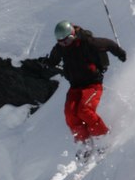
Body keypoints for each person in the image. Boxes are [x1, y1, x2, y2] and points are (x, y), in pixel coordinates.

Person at [48, 20, 127, 155]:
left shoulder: (87, 42)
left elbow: (108, 44)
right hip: (75, 86)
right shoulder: (61, 48)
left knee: (84, 110)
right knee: (70, 114)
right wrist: (47, 63)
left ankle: (103, 137)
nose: (65, 44)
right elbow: (53, 59)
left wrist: (120, 53)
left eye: (67, 41)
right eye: (61, 42)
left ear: (73, 35)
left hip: (92, 84)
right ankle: (84, 143)